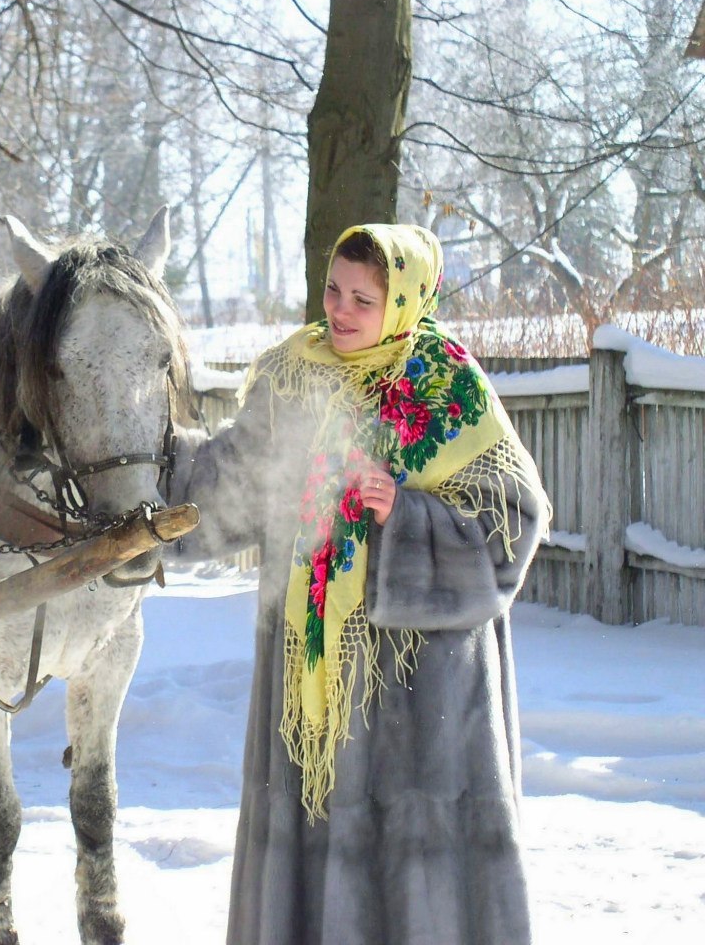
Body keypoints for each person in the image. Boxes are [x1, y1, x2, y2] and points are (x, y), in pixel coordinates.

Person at [171, 223, 548, 944]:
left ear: (403, 302)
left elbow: (513, 527)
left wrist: (405, 515)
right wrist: (147, 482)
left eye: (363, 300)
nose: (339, 312)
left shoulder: (447, 387)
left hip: (424, 704)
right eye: (333, 291)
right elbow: (230, 487)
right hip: (309, 689)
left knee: (418, 891)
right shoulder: (293, 373)